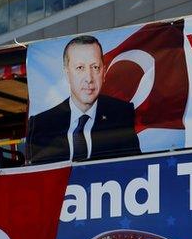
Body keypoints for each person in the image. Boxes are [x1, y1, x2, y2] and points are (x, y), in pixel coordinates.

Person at [27, 35, 141, 164]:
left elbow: (135, 167)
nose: (89, 78)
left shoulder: (121, 113)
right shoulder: (42, 124)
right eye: (80, 68)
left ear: (103, 72)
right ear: (67, 73)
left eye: (95, 67)